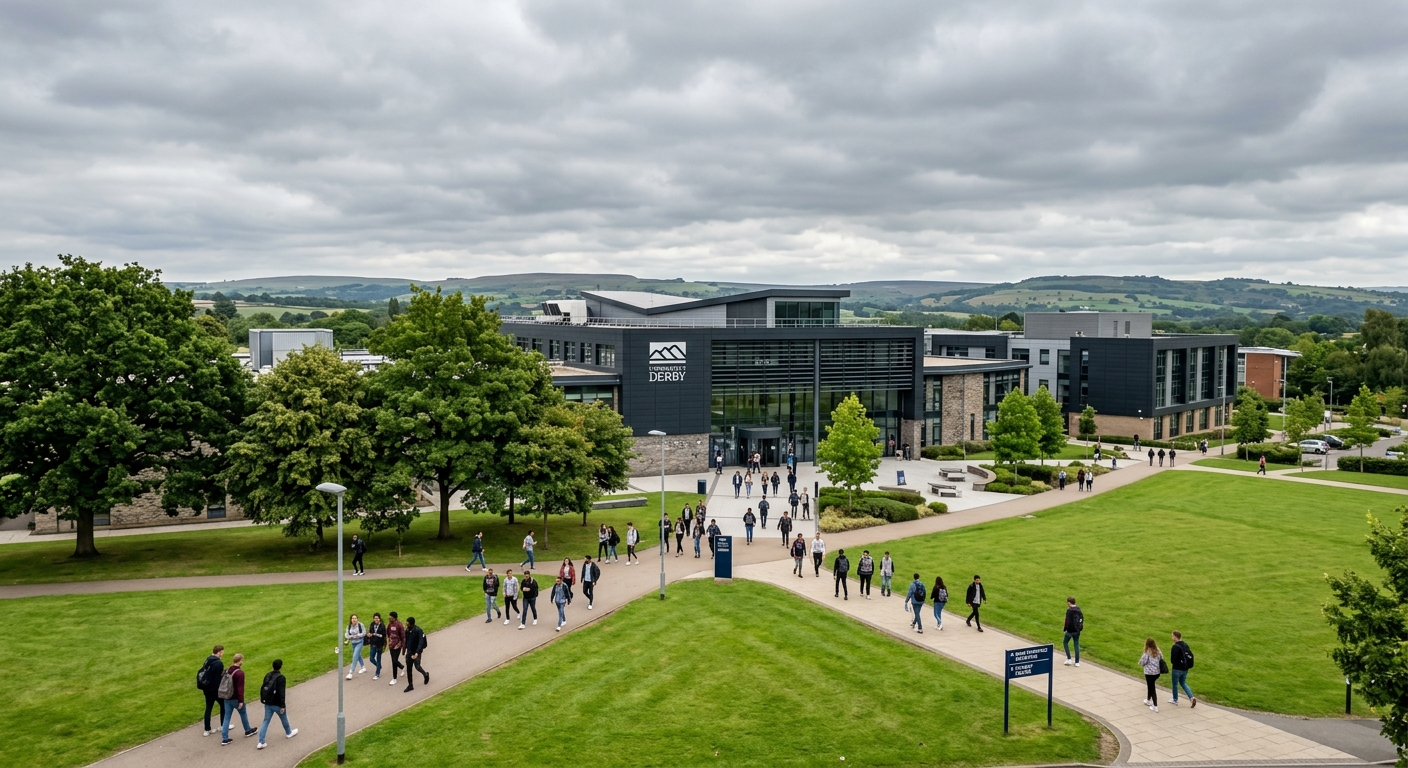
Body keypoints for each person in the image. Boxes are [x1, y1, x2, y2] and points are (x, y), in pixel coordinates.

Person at [255, 659, 297, 749]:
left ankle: (261, 741)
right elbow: (281, 692)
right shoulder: (281, 678)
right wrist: (282, 705)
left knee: (265, 721)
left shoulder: (268, 675)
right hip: (276, 703)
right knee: (283, 717)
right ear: (281, 666)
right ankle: (288, 732)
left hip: (268, 703)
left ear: (272, 666)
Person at [219, 652, 257, 744]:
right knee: (243, 714)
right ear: (240, 661)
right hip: (235, 698)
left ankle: (225, 738)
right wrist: (241, 701)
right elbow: (240, 688)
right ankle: (247, 730)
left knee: (226, 717)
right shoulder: (239, 673)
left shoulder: (228, 670)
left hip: (227, 697)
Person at [197, 644, 225, 737]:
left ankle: (207, 729)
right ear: (219, 652)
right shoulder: (218, 663)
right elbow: (217, 679)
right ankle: (223, 725)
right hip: (215, 690)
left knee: (208, 707)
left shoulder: (208, 659)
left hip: (207, 689)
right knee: (223, 705)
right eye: (222, 652)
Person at [1169, 631, 1196, 707]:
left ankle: (1175, 699)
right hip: (1185, 668)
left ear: (1175, 637)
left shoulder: (1175, 647)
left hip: (1177, 668)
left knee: (1175, 684)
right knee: (1183, 683)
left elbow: (1172, 660)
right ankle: (1191, 697)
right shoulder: (1185, 645)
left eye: (1172, 636)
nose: (1172, 638)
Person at [403, 617, 428, 692]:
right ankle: (410, 685)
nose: (406, 624)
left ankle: (425, 674)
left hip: (416, 652)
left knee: (417, 666)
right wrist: (404, 649)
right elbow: (406, 641)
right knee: (409, 669)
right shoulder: (407, 631)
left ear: (411, 623)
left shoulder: (418, 631)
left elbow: (420, 642)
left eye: (407, 623)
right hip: (409, 652)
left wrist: (417, 653)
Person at [1139, 637, 1164, 711]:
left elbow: (1142, 662)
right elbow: (1161, 658)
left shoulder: (1147, 652)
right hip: (1157, 673)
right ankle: (1148, 699)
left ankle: (1155, 705)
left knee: (1152, 688)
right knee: (1150, 686)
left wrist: (1141, 663)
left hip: (1149, 673)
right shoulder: (1158, 650)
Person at [1063, 597, 1084, 666]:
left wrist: (1065, 629)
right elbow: (1081, 619)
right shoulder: (1078, 609)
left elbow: (1067, 621)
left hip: (1070, 631)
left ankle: (1069, 659)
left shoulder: (1069, 611)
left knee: (1065, 642)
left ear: (1069, 602)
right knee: (1076, 644)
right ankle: (1077, 662)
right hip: (1077, 631)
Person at [387, 611, 405, 686]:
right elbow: (388, 633)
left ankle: (394, 678)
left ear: (394, 618)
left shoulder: (399, 625)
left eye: (390, 617)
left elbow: (403, 636)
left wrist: (403, 646)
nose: (389, 618)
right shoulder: (389, 625)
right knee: (393, 661)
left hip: (398, 645)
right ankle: (402, 667)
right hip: (391, 645)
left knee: (394, 661)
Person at [366, 613, 386, 679]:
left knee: (378, 658)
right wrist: (369, 634)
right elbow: (370, 632)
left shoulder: (382, 626)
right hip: (373, 643)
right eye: (375, 618)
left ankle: (377, 673)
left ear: (379, 619)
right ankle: (379, 666)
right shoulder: (372, 624)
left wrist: (375, 634)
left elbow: (383, 635)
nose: (376, 619)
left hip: (379, 644)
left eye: (377, 618)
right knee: (371, 658)